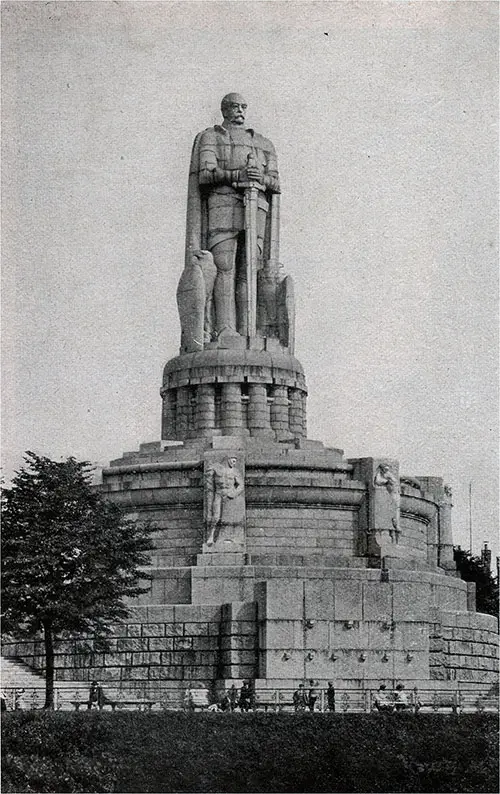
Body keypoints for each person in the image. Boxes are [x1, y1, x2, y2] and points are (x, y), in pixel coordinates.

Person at [186, 93, 280, 338]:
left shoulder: (263, 143)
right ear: (224, 110)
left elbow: (275, 183)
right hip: (222, 207)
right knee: (224, 266)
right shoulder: (212, 137)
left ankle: (250, 329)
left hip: (255, 208)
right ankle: (225, 328)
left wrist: (261, 179)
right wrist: (236, 175)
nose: (240, 111)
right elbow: (205, 175)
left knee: (251, 269)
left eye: (243, 107)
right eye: (235, 107)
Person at [205, 456, 244, 546]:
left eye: (235, 462)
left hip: (229, 495)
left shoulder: (235, 471)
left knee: (230, 517)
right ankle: (211, 536)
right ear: (228, 459)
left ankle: (230, 537)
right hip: (218, 494)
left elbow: (240, 485)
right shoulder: (215, 468)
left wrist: (233, 493)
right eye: (233, 461)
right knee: (216, 516)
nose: (234, 463)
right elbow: (210, 487)